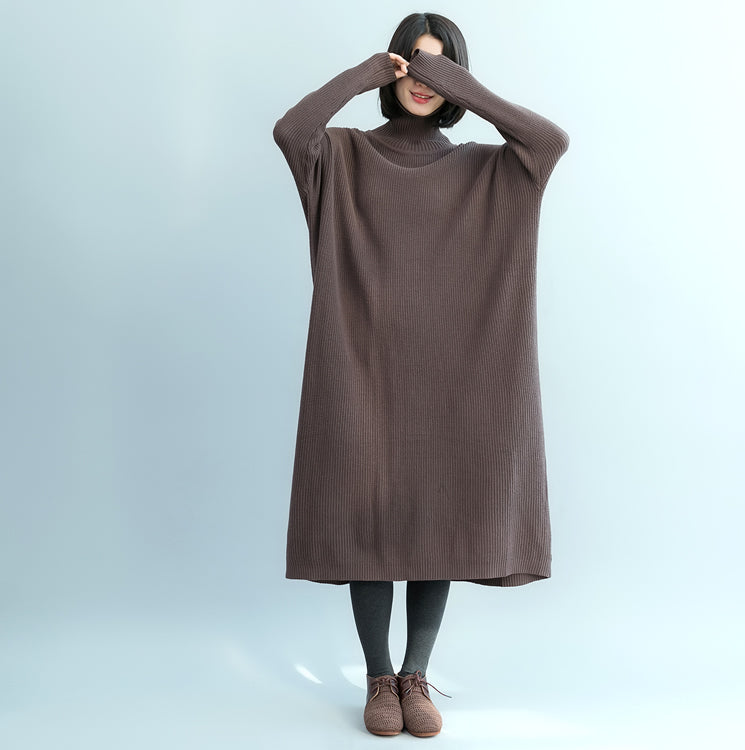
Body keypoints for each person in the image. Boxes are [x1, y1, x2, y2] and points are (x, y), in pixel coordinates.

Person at [272, 11, 569, 738]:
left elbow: (549, 141)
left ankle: (416, 675)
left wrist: (463, 85)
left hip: (449, 382)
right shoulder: (342, 157)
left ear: (456, 77)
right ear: (393, 67)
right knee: (368, 522)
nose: (423, 77)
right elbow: (290, 131)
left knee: (438, 519)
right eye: (413, 61)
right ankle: (379, 677)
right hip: (361, 372)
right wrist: (364, 73)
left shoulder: (487, 168)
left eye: (440, 66)